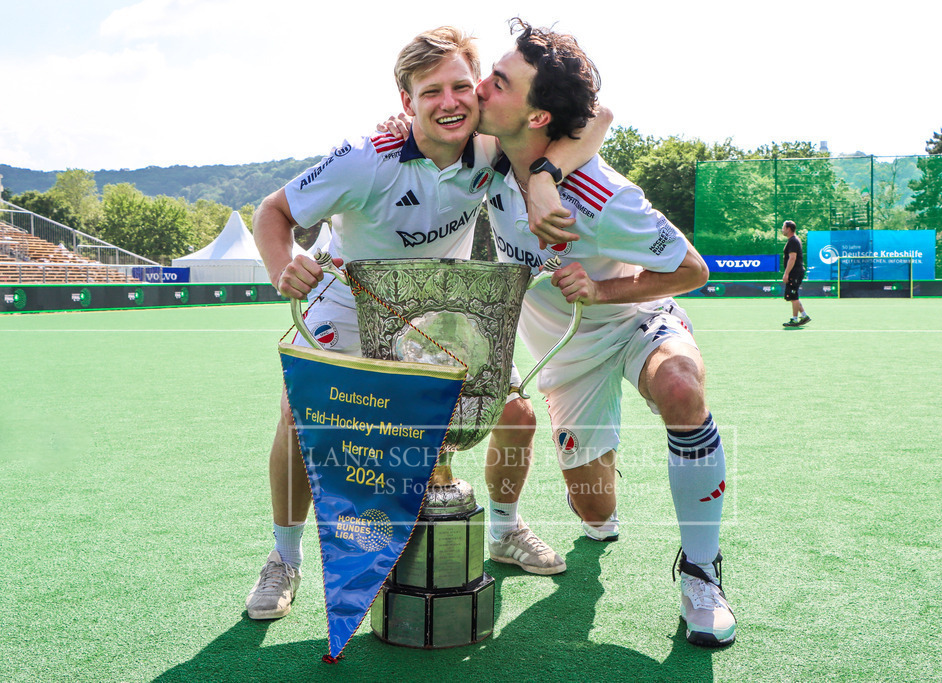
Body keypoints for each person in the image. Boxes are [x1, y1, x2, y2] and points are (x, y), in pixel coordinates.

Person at [247, 26, 610, 621]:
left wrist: (543, 178)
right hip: (349, 298)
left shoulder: (493, 146)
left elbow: (599, 114)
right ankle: (284, 559)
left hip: (436, 310)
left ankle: (503, 531)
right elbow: (274, 211)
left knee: (514, 410)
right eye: (431, 91)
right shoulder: (365, 159)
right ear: (405, 102)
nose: (449, 102)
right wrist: (283, 266)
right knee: (297, 411)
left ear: (479, 92)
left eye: (461, 86)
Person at [473, 18, 736, 647]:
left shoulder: (600, 193)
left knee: (679, 386)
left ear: (538, 118)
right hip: (569, 358)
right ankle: (597, 484)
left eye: (500, 81)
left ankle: (702, 572)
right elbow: (602, 113)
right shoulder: (480, 155)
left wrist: (603, 288)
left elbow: (691, 269)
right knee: (596, 512)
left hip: (632, 320)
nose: (482, 87)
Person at [781, 220, 810, 327]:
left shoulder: (793, 241)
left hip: (795, 272)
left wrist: (786, 273)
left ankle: (794, 319)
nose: (782, 230)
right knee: (794, 296)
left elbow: (792, 258)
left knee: (794, 296)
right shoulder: (793, 240)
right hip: (795, 272)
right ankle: (804, 316)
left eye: (783, 227)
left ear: (788, 229)